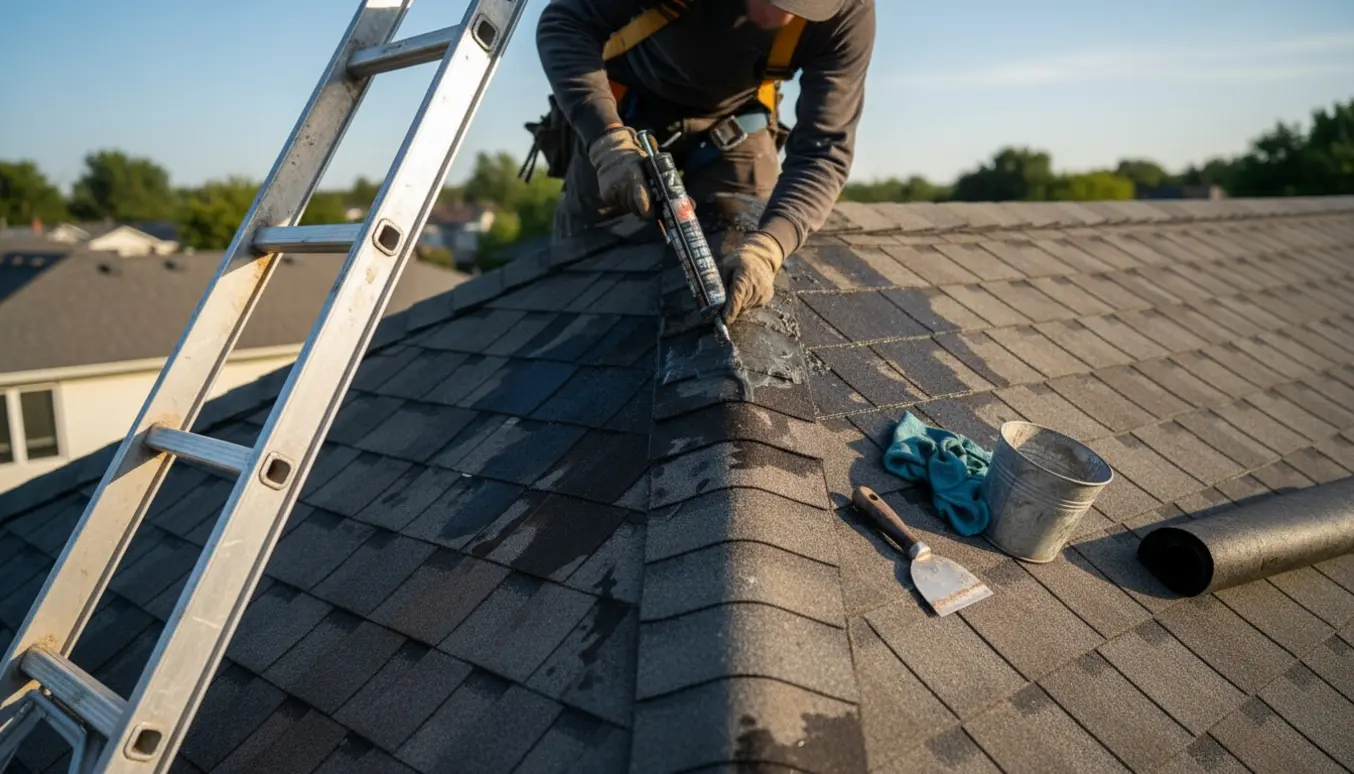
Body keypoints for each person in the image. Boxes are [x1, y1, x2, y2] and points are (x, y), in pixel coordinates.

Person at [534, 0, 875, 323]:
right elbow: (564, 23)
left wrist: (770, 246)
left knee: (734, 258)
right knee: (585, 270)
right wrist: (606, 142)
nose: (780, 18)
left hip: (734, 126)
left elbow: (824, 150)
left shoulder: (847, 12)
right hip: (623, 113)